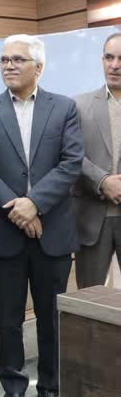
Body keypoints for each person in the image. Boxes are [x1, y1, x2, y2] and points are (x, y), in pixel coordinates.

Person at [0, 34, 83, 397]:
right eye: (4, 60)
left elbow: (71, 163)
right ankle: (13, 387)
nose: (8, 66)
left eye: (17, 59)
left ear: (39, 67)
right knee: (8, 318)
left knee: (52, 317)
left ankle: (51, 387)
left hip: (53, 230)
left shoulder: (64, 108)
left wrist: (35, 203)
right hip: (4, 231)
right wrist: (18, 209)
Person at [73, 32, 121, 287]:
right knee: (89, 298)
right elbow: (70, 155)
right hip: (91, 219)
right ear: (102, 60)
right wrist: (102, 181)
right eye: (109, 57)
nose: (115, 65)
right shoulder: (78, 105)